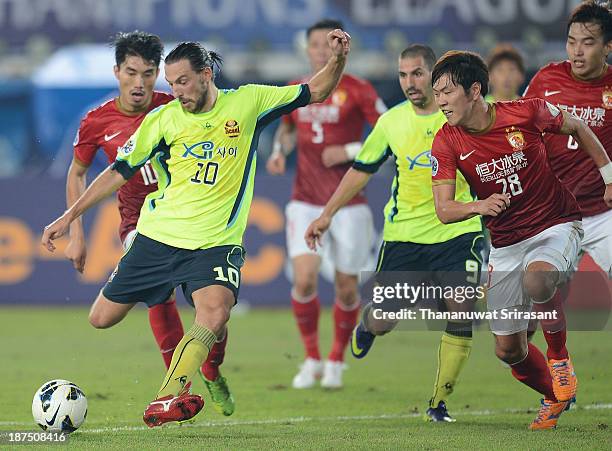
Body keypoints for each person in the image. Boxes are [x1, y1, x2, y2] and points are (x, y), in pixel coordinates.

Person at [42, 30, 352, 427]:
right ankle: (206, 358)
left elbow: (317, 90)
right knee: (100, 318)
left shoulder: (249, 102)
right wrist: (68, 219)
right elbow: (118, 172)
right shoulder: (163, 118)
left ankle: (168, 397)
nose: (176, 92)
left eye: (182, 82)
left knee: (214, 313)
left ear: (206, 74)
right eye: (170, 84)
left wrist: (338, 59)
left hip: (215, 242)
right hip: (158, 235)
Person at [429, 50, 612, 429]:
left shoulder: (524, 112)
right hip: (507, 243)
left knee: (539, 277)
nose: (441, 101)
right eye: (438, 93)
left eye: (447, 91)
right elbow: (444, 210)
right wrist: (479, 205)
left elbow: (577, 125)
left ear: (475, 89)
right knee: (508, 349)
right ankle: (555, 395)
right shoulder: (446, 141)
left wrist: (608, 176)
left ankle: (559, 359)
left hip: (555, 223)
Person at [304, 44, 483, 421]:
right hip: (405, 235)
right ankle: (367, 325)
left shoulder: (462, 114)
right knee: (384, 319)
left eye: (417, 73)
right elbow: (361, 169)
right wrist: (327, 214)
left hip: (458, 228)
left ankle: (438, 402)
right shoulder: (392, 122)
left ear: (436, 76)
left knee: (461, 305)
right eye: (402, 75)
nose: (409, 83)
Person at [65, 31, 234, 416]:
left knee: (213, 316)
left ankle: (212, 369)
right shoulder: (96, 121)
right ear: (117, 72)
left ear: (159, 73)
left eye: (148, 73)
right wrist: (77, 234)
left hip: (193, 220)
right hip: (138, 224)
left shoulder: (174, 106)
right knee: (156, 295)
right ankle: (175, 388)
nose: (139, 83)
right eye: (131, 72)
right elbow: (77, 174)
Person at [266, 19, 386, 389]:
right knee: (303, 280)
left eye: (329, 43)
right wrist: (278, 150)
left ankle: (336, 358)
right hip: (304, 199)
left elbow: (388, 133)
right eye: (316, 43)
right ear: (307, 49)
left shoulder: (359, 89)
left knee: (347, 287)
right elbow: (286, 128)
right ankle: (312, 358)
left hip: (349, 202)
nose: (322, 49)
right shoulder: (296, 89)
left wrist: (350, 150)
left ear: (342, 47)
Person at [524, 1, 612, 279]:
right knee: (540, 288)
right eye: (572, 42)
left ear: (608, 47)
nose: (578, 51)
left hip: (604, 212)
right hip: (554, 212)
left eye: (588, 43)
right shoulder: (545, 80)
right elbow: (520, 134)